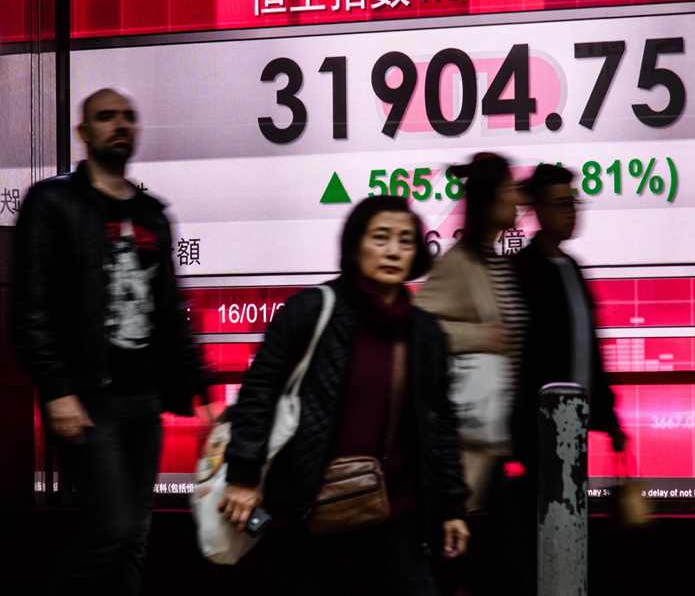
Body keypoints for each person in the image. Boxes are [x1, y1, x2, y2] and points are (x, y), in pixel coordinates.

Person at [11, 88, 211, 595]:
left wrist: (201, 391)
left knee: (136, 534)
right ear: (84, 132)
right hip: (87, 397)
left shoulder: (151, 214)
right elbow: (30, 306)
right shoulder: (53, 203)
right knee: (112, 528)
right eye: (105, 117)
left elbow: (170, 311)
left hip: (143, 398)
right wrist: (56, 389)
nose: (118, 125)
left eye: (127, 118)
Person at [221, 195, 470, 596]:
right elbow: (258, 393)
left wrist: (452, 507)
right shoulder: (311, 310)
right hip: (316, 513)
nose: (393, 251)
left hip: (399, 518)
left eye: (406, 241)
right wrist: (243, 476)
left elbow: (440, 424)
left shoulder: (424, 333)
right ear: (355, 246)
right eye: (381, 238)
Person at [415, 152, 528, 511]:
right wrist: (479, 338)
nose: (517, 199)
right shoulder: (458, 263)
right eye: (510, 188)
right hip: (470, 448)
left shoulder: (495, 261)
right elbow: (416, 329)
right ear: (491, 197)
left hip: (498, 442)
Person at [513, 163, 625, 469]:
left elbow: (589, 348)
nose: (572, 213)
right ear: (538, 210)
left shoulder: (573, 268)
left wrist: (608, 415)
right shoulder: (523, 271)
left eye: (573, 203)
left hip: (574, 421)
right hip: (538, 426)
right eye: (561, 205)